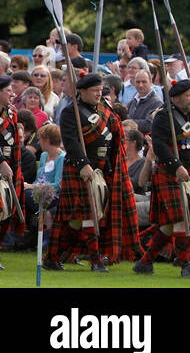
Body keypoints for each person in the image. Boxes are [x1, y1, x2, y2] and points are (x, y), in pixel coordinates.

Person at [49, 72, 138, 271]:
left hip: (102, 168)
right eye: (94, 91)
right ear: (82, 91)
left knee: (77, 219)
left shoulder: (105, 107)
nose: (99, 94)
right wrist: (83, 164)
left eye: (100, 90)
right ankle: (95, 260)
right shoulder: (71, 112)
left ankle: (53, 256)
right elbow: (71, 142)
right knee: (87, 215)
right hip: (80, 169)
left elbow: (115, 133)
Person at [134, 79, 190, 278]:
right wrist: (176, 166)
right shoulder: (163, 116)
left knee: (169, 224)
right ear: (175, 98)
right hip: (169, 173)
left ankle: (145, 262)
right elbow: (160, 145)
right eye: (189, 95)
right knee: (181, 218)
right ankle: (185, 265)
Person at [0, 76, 23, 263]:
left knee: (6, 213)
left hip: (9, 167)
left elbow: (15, 144)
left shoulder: (11, 113)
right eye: (9, 90)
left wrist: (15, 169)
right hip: (2, 164)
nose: (12, 94)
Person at [125, 68, 163, 134]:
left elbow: (149, 125)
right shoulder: (133, 101)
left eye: (144, 82)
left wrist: (128, 122)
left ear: (151, 82)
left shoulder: (157, 102)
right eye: (138, 82)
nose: (140, 85)